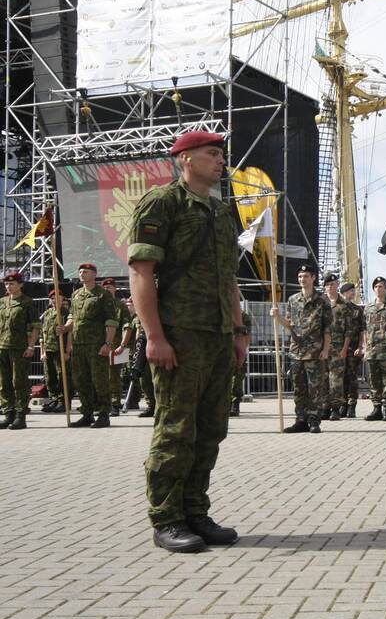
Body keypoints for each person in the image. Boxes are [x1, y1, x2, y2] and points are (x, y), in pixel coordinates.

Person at [129, 129, 249, 552]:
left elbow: (229, 279)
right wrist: (154, 336)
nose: (221, 161)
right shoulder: (163, 203)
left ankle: (196, 511)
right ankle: (166, 518)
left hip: (216, 336)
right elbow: (141, 273)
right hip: (179, 335)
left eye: (221, 154)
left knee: (211, 429)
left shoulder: (220, 212)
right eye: (212, 154)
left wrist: (238, 331)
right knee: (176, 430)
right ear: (185, 159)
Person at [272, 263, 331, 434]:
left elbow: (327, 328)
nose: (302, 279)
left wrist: (326, 350)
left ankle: (314, 421)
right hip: (297, 351)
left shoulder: (322, 301)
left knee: (315, 389)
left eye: (305, 276)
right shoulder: (293, 300)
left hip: (315, 352)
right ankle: (300, 420)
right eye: (299, 277)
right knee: (299, 389)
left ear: (313, 278)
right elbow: (289, 325)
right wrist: (277, 317)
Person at [64, 263, 119, 429]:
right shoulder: (76, 294)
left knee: (99, 379)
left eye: (85, 272)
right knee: (81, 380)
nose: (81, 274)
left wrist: (108, 343)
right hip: (79, 344)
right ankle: (86, 414)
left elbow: (111, 321)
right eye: (80, 271)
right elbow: (73, 316)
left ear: (94, 274)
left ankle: (103, 414)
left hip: (96, 344)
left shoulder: (103, 295)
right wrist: (66, 328)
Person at [0, 271, 41, 430]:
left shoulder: (27, 302)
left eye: (12, 284)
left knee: (20, 382)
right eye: (7, 284)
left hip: (19, 348)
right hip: (2, 347)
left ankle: (20, 415)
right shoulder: (2, 302)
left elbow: (36, 327)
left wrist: (31, 346)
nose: (9, 287)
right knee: (4, 383)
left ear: (21, 285)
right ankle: (8, 413)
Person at [362, 276, 386, 421]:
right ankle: (377, 408)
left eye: (381, 286)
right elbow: (365, 330)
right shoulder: (368, 308)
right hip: (372, 350)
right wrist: (364, 348)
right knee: (373, 380)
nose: (378, 289)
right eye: (376, 286)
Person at [322, 273, 352, 421]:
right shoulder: (320, 303)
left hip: (338, 347)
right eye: (328, 284)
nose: (330, 287)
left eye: (333, 284)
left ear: (337, 285)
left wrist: (345, 348)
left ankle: (335, 408)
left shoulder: (344, 304)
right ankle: (324, 407)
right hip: (322, 347)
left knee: (337, 380)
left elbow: (349, 330)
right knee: (322, 378)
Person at [101, 277, 129, 415]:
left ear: (115, 288)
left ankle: (115, 403)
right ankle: (103, 404)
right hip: (100, 345)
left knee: (114, 376)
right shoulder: (99, 304)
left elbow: (127, 326)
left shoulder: (121, 305)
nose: (107, 289)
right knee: (100, 375)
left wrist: (123, 345)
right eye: (105, 287)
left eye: (110, 287)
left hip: (117, 345)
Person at [39, 290, 70, 413]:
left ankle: (63, 401)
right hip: (49, 350)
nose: (55, 300)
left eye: (58, 297)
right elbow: (43, 334)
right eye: (52, 298)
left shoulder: (66, 313)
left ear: (63, 299)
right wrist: (43, 351)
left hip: (60, 350)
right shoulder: (47, 314)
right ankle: (54, 399)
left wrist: (67, 351)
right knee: (49, 377)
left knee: (62, 376)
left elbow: (71, 333)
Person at [340, 282, 365, 418]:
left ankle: (351, 406)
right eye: (351, 291)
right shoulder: (336, 308)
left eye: (353, 291)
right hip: (339, 349)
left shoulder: (357, 310)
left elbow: (362, 330)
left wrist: (361, 346)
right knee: (340, 378)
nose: (353, 293)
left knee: (352, 378)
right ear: (344, 293)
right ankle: (342, 404)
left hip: (353, 349)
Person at [230, 309, 251, 417]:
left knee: (236, 380)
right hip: (221, 351)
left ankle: (235, 404)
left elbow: (246, 336)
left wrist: (242, 351)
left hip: (236, 351)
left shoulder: (243, 316)